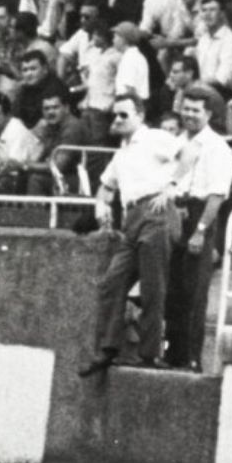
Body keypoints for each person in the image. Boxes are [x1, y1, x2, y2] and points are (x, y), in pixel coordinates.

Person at [81, 93, 184, 375]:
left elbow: (188, 153)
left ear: (139, 115)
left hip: (156, 212)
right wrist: (101, 204)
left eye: (124, 114)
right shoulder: (122, 153)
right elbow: (106, 185)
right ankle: (107, 348)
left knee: (152, 286)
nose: (117, 120)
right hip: (132, 217)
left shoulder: (153, 137)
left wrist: (171, 186)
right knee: (111, 283)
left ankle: (149, 354)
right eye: (114, 115)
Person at [164, 85, 232, 371]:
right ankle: (172, 354)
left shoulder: (217, 147)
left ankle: (191, 359)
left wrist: (200, 230)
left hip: (199, 215)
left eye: (196, 110)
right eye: (186, 109)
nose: (189, 115)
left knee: (194, 291)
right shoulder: (176, 142)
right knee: (172, 287)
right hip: (175, 211)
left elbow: (217, 194)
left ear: (208, 114)